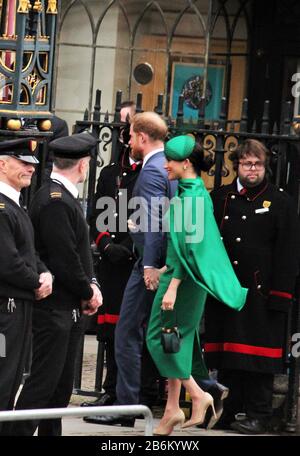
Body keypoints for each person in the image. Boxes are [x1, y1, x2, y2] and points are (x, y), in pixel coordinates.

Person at [146, 135, 248, 435]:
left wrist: (173, 284)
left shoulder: (191, 197)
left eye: (170, 161)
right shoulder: (193, 192)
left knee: (158, 338)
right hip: (181, 275)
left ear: (186, 163)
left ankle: (200, 393)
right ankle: (172, 410)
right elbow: (184, 244)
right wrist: (168, 268)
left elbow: (193, 247)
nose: (165, 165)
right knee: (176, 339)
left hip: (183, 281)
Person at [84, 112, 177, 427]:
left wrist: (150, 263)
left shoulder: (152, 171)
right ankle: (201, 388)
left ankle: (126, 408)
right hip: (164, 262)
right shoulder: (170, 166)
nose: (130, 142)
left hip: (148, 264)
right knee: (157, 334)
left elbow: (153, 224)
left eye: (132, 135)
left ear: (141, 137)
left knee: (126, 334)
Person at [204, 139, 300, 434]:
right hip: (226, 290)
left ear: (265, 166)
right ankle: (231, 410)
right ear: (237, 166)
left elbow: (288, 252)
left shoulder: (280, 201)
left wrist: (281, 296)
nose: (252, 169)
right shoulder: (219, 197)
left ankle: (259, 413)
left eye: (257, 164)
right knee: (229, 355)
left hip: (261, 293)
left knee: (259, 359)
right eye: (247, 163)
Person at [11, 132, 103, 436]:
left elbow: (76, 253)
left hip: (67, 308)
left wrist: (90, 285)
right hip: (54, 310)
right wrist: (89, 290)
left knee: (59, 390)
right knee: (42, 386)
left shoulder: (63, 198)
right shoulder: (54, 201)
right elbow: (65, 259)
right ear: (83, 166)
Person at [0, 138, 52, 435]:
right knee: (3, 378)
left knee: (12, 379)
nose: (31, 168)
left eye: (32, 163)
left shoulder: (14, 205)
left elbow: (28, 252)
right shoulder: (2, 207)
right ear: (2, 164)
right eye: (23, 162)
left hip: (17, 309)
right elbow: (7, 261)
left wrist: (45, 274)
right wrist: (36, 282)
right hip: (4, 312)